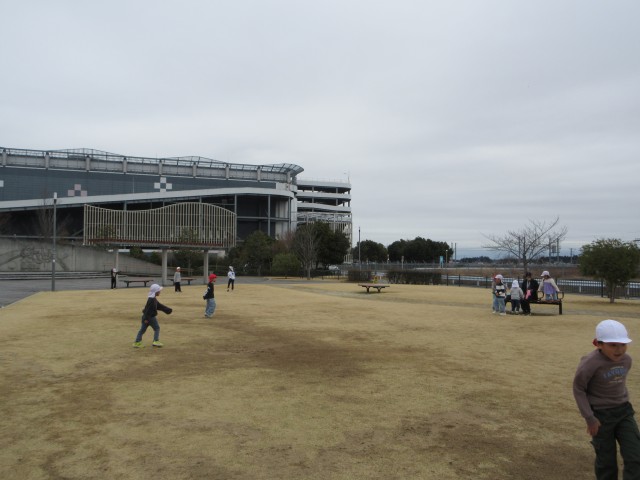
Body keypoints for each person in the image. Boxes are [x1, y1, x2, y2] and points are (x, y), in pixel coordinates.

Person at [573, 319, 640, 479]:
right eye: (613, 345)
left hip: (624, 412)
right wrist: (590, 418)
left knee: (635, 455)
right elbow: (579, 389)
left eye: (623, 344)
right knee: (606, 462)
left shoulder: (627, 360)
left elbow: (618, 383)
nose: (619, 350)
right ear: (599, 344)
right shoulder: (590, 363)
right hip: (601, 416)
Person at [133, 284, 172, 348]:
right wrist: (146, 319)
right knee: (157, 328)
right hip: (150, 317)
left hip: (146, 317)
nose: (160, 292)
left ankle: (137, 342)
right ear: (156, 292)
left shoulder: (152, 299)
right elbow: (148, 310)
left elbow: (159, 305)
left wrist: (167, 309)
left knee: (142, 330)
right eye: (159, 291)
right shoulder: (152, 300)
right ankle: (156, 341)